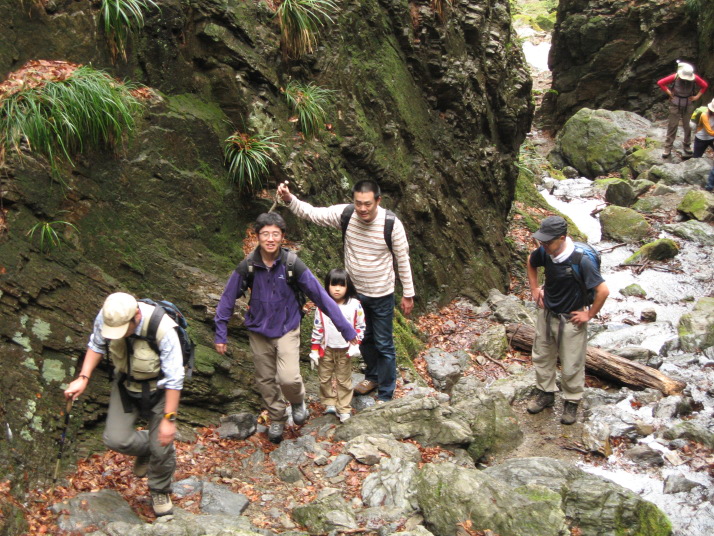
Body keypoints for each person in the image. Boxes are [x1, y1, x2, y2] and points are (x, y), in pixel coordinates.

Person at [214, 212, 358, 443]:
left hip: (287, 326)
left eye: (275, 234)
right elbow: (227, 299)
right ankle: (277, 418)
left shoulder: (292, 264)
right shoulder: (248, 266)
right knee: (265, 380)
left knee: (288, 378)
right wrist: (220, 332)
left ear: (282, 237)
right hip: (258, 330)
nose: (270, 239)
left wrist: (347, 330)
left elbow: (321, 296)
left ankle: (298, 401)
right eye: (265, 234)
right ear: (257, 236)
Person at [277, 179, 415, 403]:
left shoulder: (391, 224)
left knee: (384, 343)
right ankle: (372, 377)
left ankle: (387, 392)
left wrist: (408, 294)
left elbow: (402, 259)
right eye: (358, 203)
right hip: (355, 296)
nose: (362, 209)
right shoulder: (347, 215)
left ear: (378, 201)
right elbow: (313, 213)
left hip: (381, 293)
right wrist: (288, 199)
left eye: (367, 204)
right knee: (364, 338)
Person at [64, 292, 184, 517]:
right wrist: (83, 378)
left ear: (136, 316)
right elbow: (97, 344)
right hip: (126, 384)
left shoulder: (163, 328)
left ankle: (159, 489)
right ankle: (154, 447)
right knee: (115, 439)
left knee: (162, 445)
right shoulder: (108, 316)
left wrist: (169, 419)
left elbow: (175, 378)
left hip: (160, 389)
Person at [526, 216, 609, 425]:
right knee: (543, 356)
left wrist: (589, 315)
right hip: (547, 314)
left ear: (562, 238)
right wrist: (535, 288)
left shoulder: (581, 260)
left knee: (572, 363)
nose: (543, 245)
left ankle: (572, 401)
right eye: (541, 241)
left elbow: (603, 291)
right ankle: (545, 393)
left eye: (547, 241)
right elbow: (531, 261)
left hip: (572, 319)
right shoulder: (545, 251)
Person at [309, 269, 366, 423]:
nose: (337, 289)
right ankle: (329, 402)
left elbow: (361, 326)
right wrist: (314, 349)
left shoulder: (354, 305)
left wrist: (356, 343)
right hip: (326, 348)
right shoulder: (322, 306)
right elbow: (318, 328)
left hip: (345, 349)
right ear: (327, 286)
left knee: (344, 380)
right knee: (324, 378)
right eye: (333, 285)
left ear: (348, 287)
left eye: (342, 285)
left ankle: (344, 408)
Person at [657, 61, 708, 158]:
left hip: (688, 104)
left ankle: (687, 145)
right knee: (672, 125)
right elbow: (661, 83)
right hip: (675, 104)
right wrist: (669, 92)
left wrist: (697, 97)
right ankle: (668, 147)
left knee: (688, 126)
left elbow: (704, 86)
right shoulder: (675, 76)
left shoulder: (695, 78)